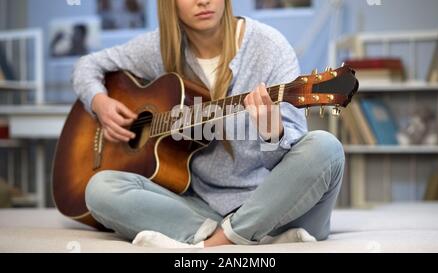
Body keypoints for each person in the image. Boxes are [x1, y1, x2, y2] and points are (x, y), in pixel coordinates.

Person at [72, 0, 345, 248]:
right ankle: (235, 236)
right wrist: (99, 102)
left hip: (278, 207)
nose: (203, 1)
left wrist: (273, 135)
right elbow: (87, 65)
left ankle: (218, 241)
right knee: (100, 188)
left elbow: (295, 164)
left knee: (326, 148)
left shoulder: (269, 47)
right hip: (204, 208)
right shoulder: (160, 48)